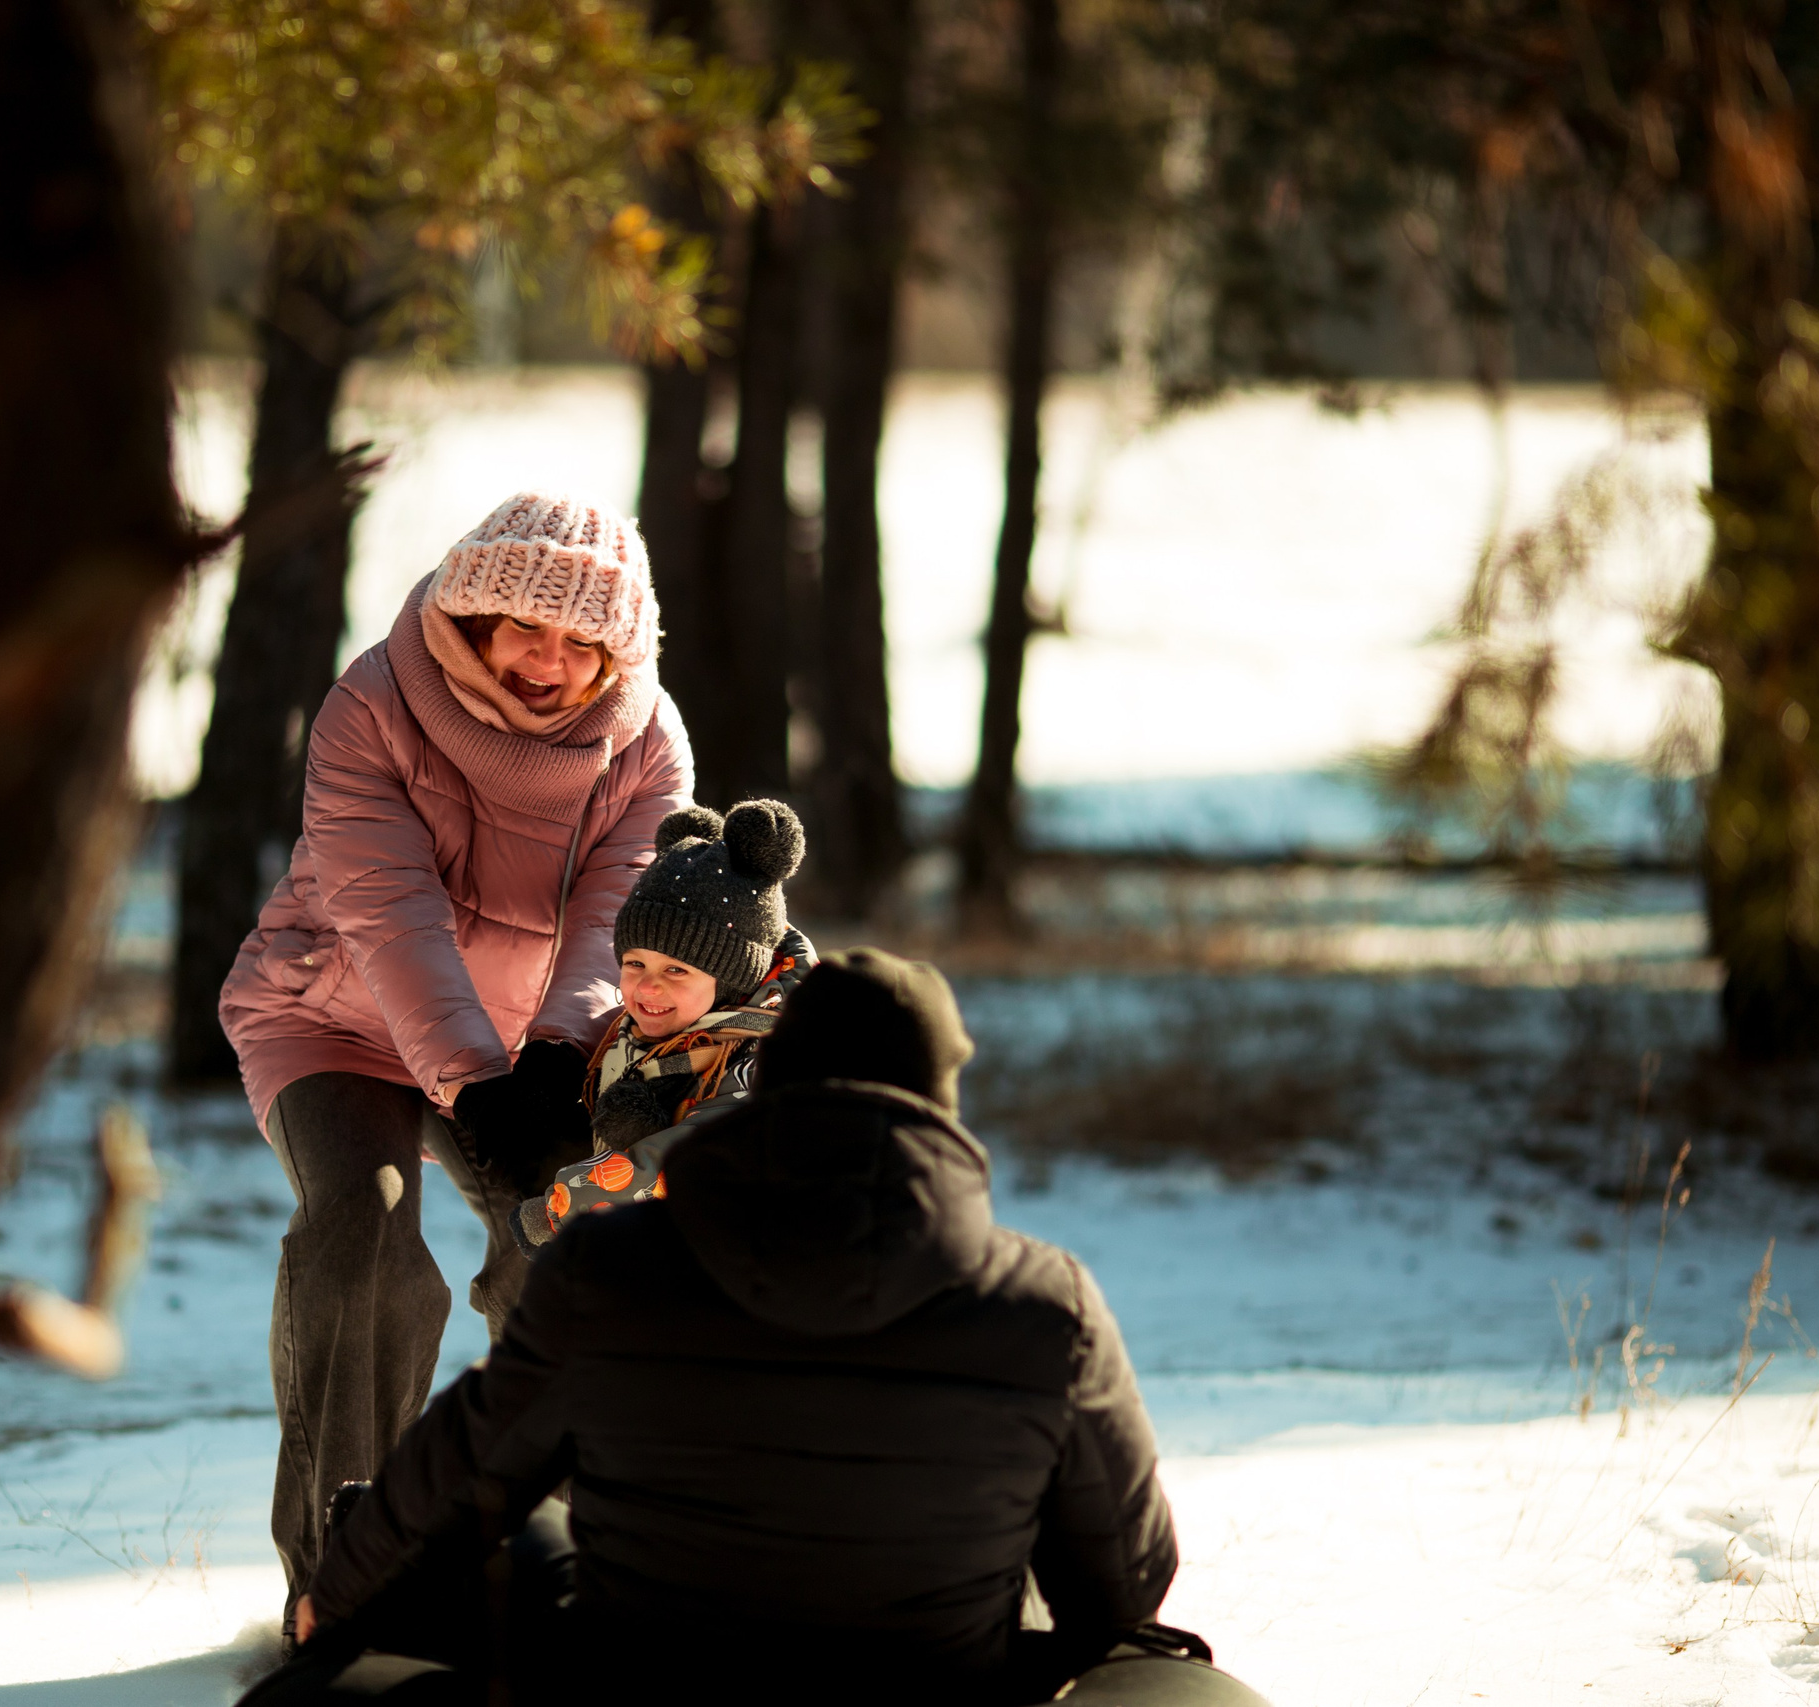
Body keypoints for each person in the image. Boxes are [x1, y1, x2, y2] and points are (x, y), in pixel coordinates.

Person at [247, 949, 1273, 1706]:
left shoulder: (606, 1270)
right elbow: (1123, 1589)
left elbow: (456, 1478)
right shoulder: (1046, 1304)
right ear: (937, 1104)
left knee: (510, 1548)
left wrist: (334, 1598)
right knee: (1183, 1690)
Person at [218, 491, 692, 1629]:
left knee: (567, 1230)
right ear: (473, 615)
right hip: (333, 1017)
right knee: (363, 1231)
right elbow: (384, 912)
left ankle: (574, 1564)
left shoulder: (647, 741)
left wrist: (555, 1057)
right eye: (528, 628)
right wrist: (472, 1083)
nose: (551, 661)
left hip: (530, 1042)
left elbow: (614, 923)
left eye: (586, 643)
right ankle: (340, 1575)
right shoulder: (371, 706)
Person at [516, 798, 814, 1246]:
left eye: (676, 970)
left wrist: (559, 1211)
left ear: (734, 981)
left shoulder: (770, 1054)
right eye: (634, 963)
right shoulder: (661, 1026)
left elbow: (692, 1160)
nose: (648, 988)